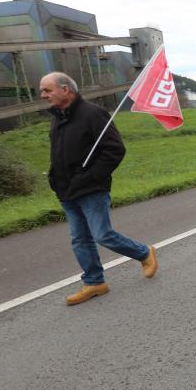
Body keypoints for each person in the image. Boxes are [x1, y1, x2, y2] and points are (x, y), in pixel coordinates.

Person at [40, 72, 157, 306]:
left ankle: (144, 253)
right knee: (79, 239)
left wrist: (90, 178)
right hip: (66, 191)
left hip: (91, 189)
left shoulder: (93, 114)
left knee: (102, 235)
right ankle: (94, 282)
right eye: (42, 91)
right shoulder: (57, 118)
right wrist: (55, 178)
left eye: (47, 90)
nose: (43, 95)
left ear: (66, 90)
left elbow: (115, 150)